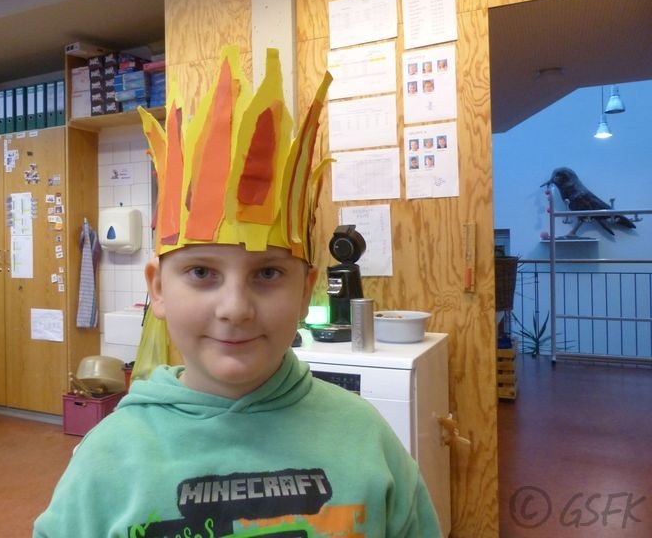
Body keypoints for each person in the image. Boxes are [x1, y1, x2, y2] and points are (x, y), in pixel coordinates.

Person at [34, 46, 442, 538]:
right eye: (202, 272)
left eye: (267, 273)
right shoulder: (108, 460)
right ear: (157, 289)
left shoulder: (366, 438)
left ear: (306, 290)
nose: (235, 308)